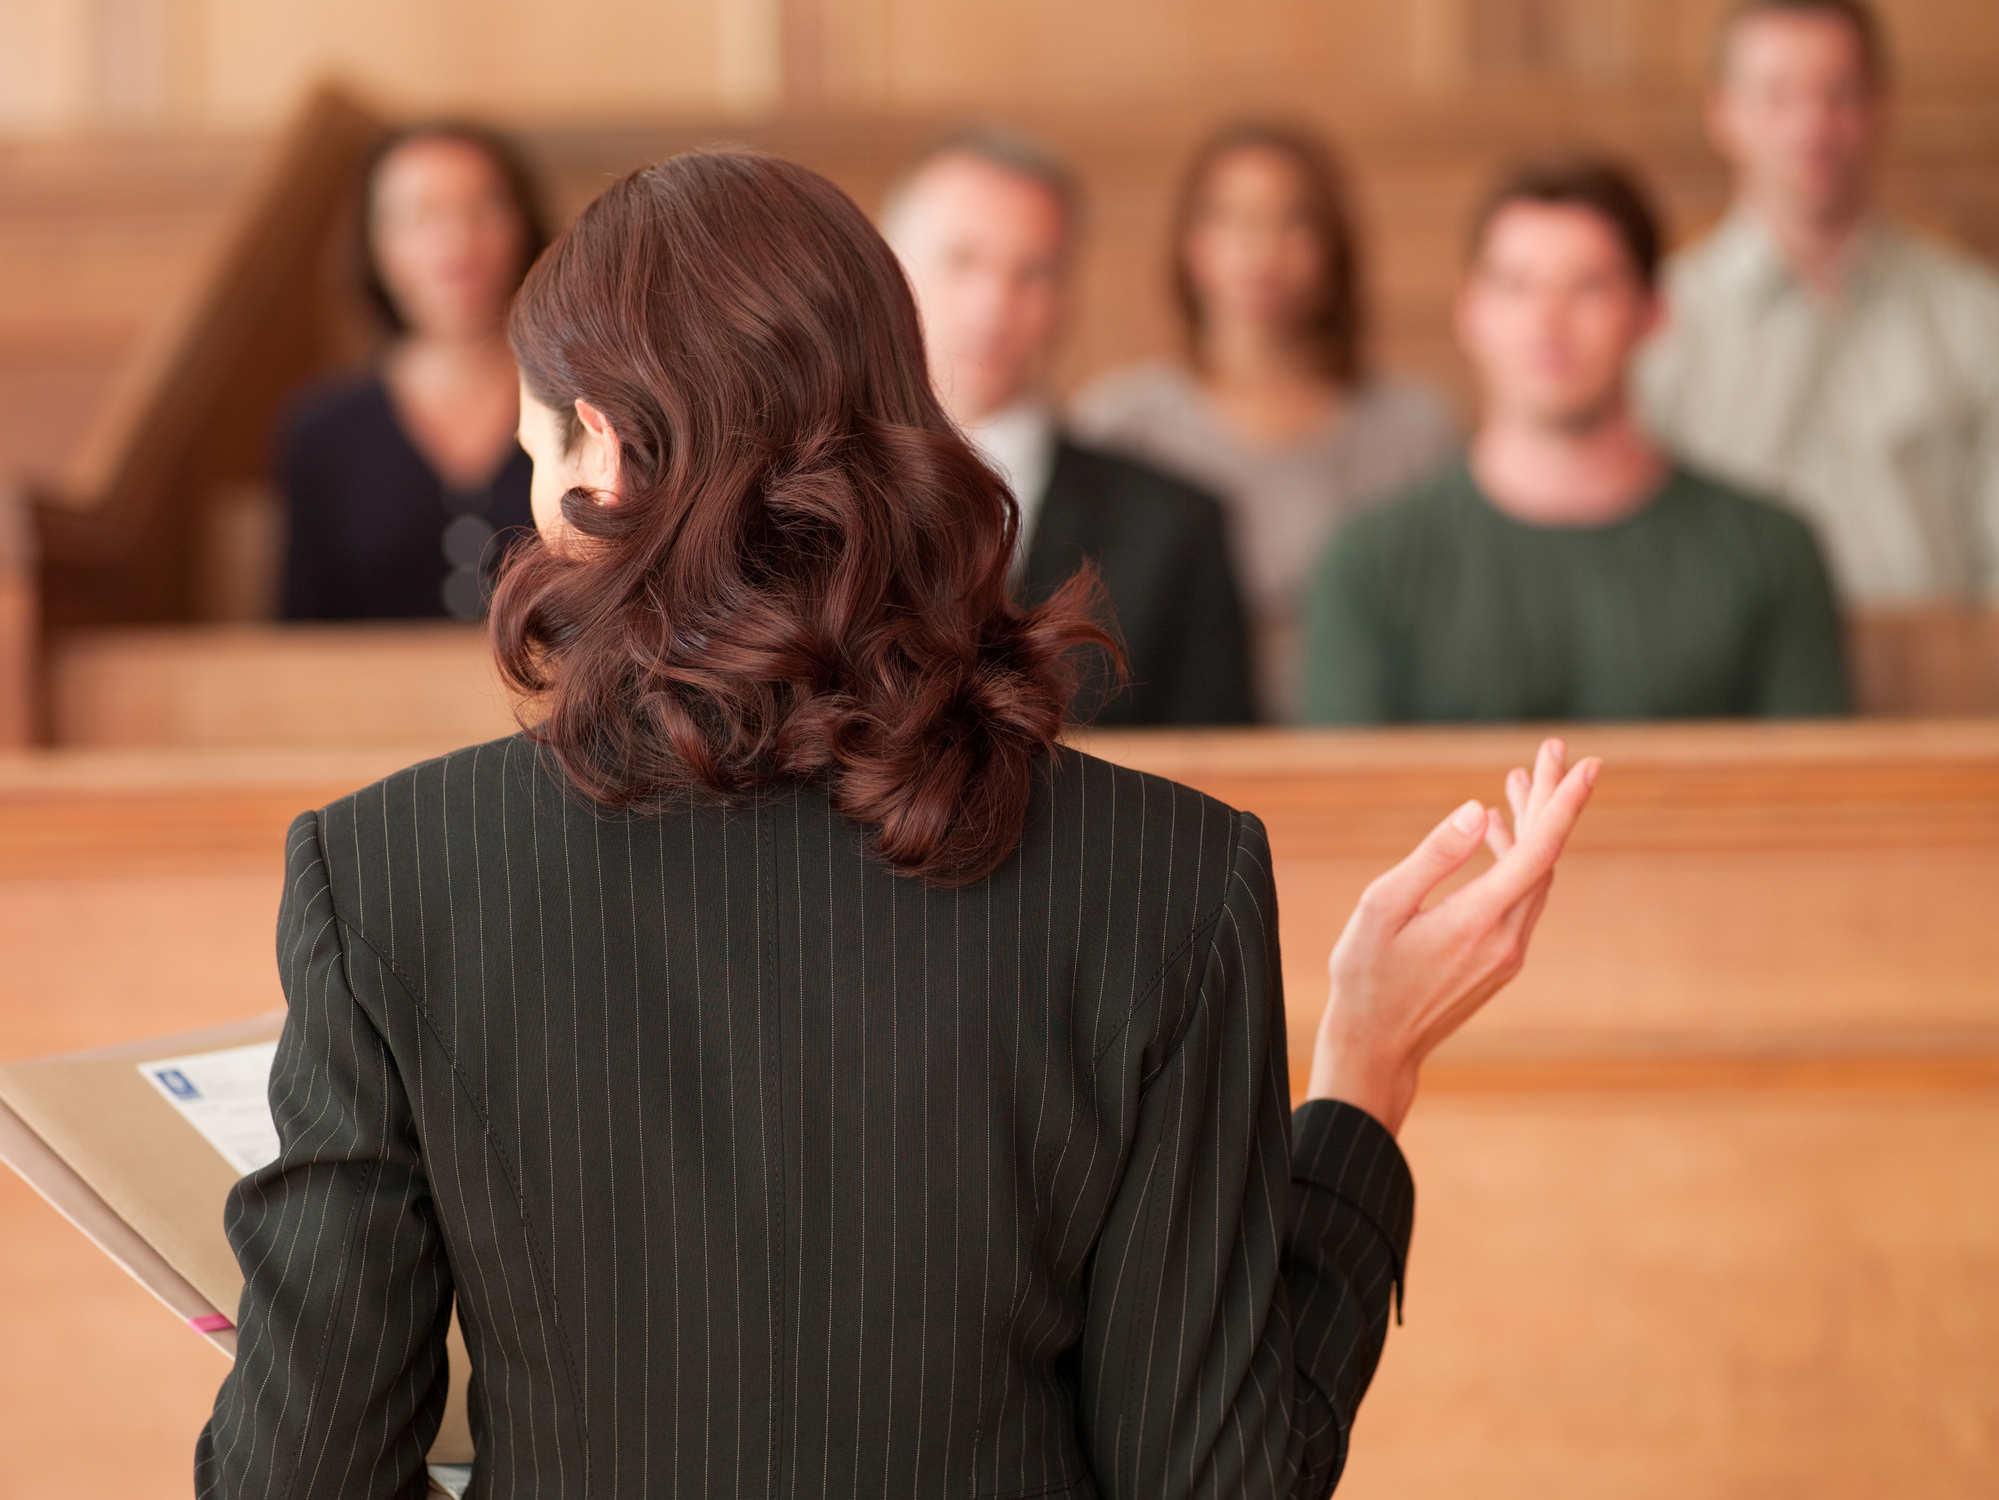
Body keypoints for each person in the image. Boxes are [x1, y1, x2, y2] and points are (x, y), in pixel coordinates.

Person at [196, 149, 1598, 1500]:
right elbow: (1215, 1476)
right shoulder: (1171, 879)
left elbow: (298, 1474)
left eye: (532, 443)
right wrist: (1359, 1084)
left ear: (603, 456)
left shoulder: (383, 875)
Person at [1301, 157, 1848, 725]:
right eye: (1516, 285)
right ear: (1470, 311)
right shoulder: (1370, 563)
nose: (1548, 319)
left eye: (1588, 286)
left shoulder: (1769, 552)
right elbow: (1344, 803)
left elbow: (1816, 798)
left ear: (1650, 312)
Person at [1072, 122, 1459, 720]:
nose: (1261, 247)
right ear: (1189, 242)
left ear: (1335, 247)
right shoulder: (1120, 424)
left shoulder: (1413, 429)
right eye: (1229, 218)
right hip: (1177, 759)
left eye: (1295, 221)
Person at [882, 128, 1255, 726]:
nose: (994, 304)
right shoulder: (808, 506)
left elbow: (1221, 777)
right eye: (962, 260)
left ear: (1069, 298)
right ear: (888, 268)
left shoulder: (1175, 529)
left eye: (1034, 272)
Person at [1638, 0, 1999, 604]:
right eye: (1778, 96)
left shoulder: (1974, 313)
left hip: (1942, 674)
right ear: (1722, 113)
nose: (1812, 127)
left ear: (1881, 105)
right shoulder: (1659, 319)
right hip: (1726, 685)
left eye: (1840, 93)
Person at [280, 123, 548, 621]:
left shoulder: (577, 408)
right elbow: (297, 629)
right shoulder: (323, 432)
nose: (457, 241)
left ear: (525, 225)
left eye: (484, 208)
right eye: (420, 216)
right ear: (372, 245)